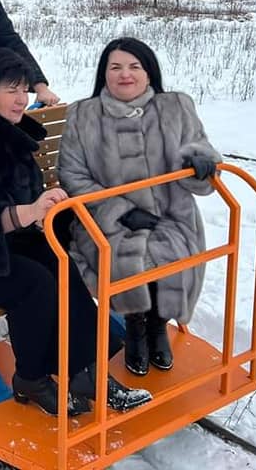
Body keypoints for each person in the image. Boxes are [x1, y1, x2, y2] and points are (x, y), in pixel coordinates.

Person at [0, 48, 151, 416]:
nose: (22, 99)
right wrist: (28, 213)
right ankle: (30, 379)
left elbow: (22, 202)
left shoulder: (8, 133)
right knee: (34, 283)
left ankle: (86, 369)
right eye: (11, 90)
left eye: (24, 90)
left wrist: (52, 211)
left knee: (59, 264)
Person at [58, 37, 221, 376]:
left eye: (135, 66)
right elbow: (73, 175)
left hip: (170, 214)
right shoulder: (83, 115)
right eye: (115, 67)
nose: (125, 75)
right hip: (105, 219)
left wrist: (201, 163)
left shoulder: (175, 107)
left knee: (172, 248)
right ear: (104, 74)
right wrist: (119, 211)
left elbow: (198, 148)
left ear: (149, 73)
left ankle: (158, 324)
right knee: (123, 254)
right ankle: (134, 323)